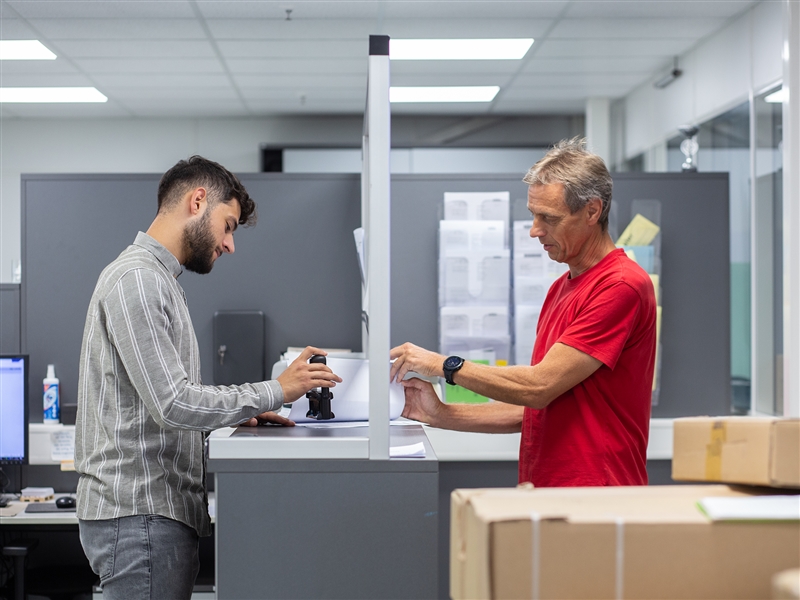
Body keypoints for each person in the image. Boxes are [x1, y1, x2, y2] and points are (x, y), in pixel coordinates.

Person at [74, 156, 342, 600]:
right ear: (198, 201)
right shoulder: (139, 281)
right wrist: (277, 388)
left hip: (151, 517)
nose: (230, 244)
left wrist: (243, 413)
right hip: (140, 517)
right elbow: (173, 403)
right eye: (229, 224)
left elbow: (156, 407)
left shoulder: (158, 281)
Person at [390, 138, 657, 488]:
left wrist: (446, 366)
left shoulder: (620, 286)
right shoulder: (561, 288)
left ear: (593, 211)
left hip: (597, 494)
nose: (535, 230)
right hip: (549, 488)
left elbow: (539, 387)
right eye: (533, 215)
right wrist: (441, 413)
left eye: (549, 218)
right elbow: (539, 408)